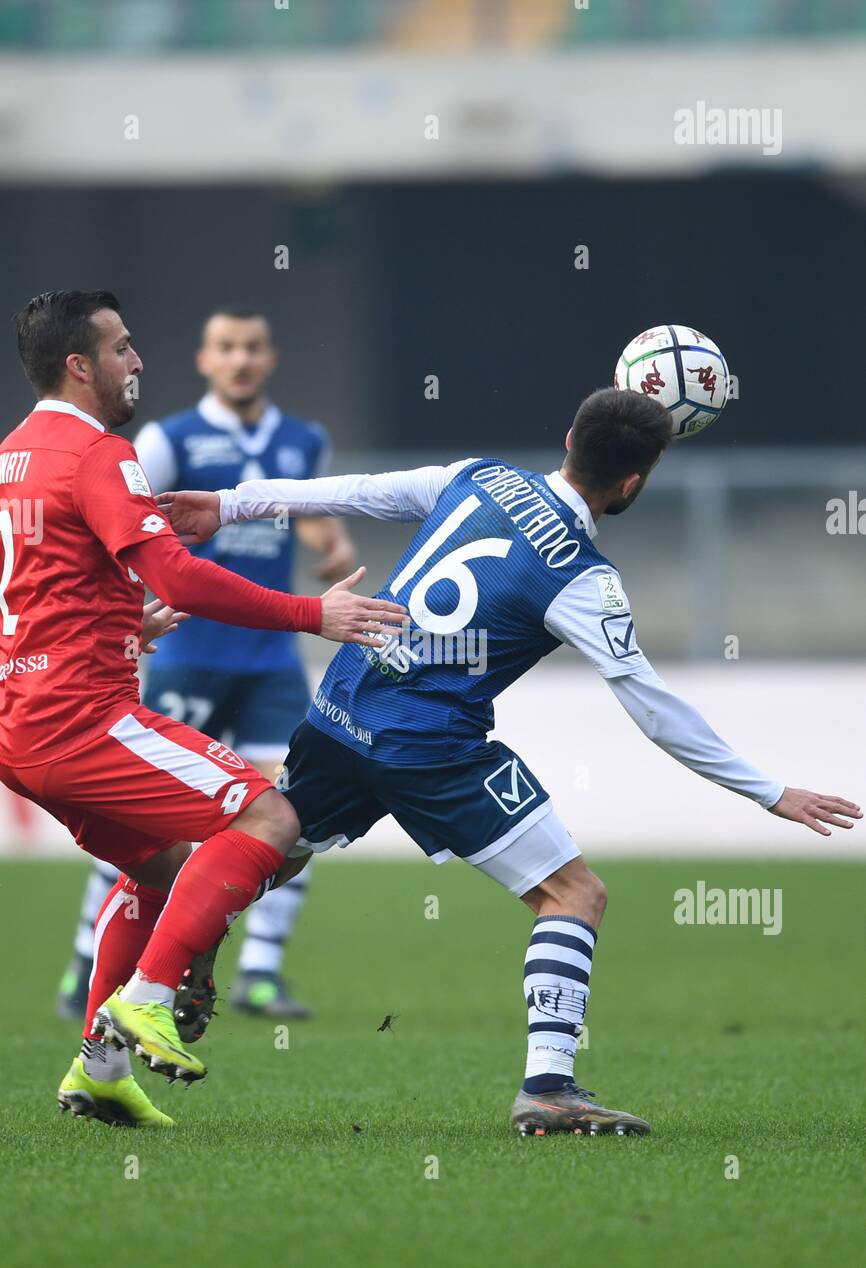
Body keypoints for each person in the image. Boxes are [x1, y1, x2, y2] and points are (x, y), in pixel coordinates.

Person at [161, 386, 861, 1136]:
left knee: (278, 841)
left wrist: (230, 503)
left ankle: (181, 951)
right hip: (430, 746)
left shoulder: (479, 476)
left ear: (567, 437)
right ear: (634, 483)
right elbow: (654, 707)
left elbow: (360, 493)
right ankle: (549, 1089)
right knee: (574, 895)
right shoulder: (583, 579)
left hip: (343, 701)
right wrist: (768, 791)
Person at [0, 289, 403, 1128]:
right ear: (80, 366)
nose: (137, 361)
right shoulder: (99, 454)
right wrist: (312, 613)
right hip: (78, 717)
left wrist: (117, 623)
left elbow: (33, 586)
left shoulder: (15, 455)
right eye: (121, 348)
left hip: (22, 720)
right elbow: (179, 573)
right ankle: (147, 1000)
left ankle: (100, 1070)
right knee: (269, 820)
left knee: (161, 866)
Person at [57, 306, 354, 1024]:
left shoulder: (301, 439)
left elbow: (299, 508)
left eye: (252, 347)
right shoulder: (165, 439)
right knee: (144, 826)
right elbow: (119, 523)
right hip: (189, 652)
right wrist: (124, 613)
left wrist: (330, 542)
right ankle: (86, 960)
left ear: (270, 357)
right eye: (227, 347)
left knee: (292, 812)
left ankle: (258, 970)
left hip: (269, 664)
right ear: (205, 360)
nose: (241, 359)